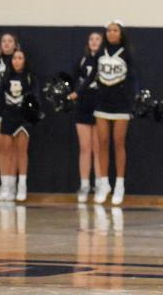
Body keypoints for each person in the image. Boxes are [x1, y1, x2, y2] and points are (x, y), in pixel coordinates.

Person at [93, 21, 138, 206]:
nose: (112, 33)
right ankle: (104, 184)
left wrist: (134, 98)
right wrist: (77, 92)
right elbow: (91, 77)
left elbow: (134, 78)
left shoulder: (127, 54)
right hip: (102, 102)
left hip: (121, 104)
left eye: (115, 30)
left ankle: (120, 185)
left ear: (121, 33)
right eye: (109, 30)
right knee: (102, 143)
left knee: (119, 143)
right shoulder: (100, 53)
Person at [0, 49, 38, 202]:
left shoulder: (29, 78)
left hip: (23, 118)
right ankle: (7, 186)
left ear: (24, 61)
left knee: (21, 152)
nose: (16, 60)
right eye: (14, 58)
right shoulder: (5, 77)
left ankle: (22, 185)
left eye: (20, 58)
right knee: (7, 151)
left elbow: (35, 98)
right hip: (8, 116)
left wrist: (31, 112)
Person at [69, 31, 102, 203]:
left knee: (98, 148)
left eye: (98, 39)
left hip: (99, 107)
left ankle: (99, 184)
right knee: (85, 147)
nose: (94, 41)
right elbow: (74, 84)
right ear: (87, 43)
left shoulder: (104, 61)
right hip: (83, 107)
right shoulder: (82, 61)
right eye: (91, 39)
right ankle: (84, 184)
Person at [0, 33, 18, 201]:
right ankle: (5, 183)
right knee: (2, 147)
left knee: (14, 147)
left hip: (15, 109)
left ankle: (12, 183)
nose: (7, 44)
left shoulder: (19, 62)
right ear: (1, 45)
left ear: (15, 45)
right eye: (4, 41)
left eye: (10, 41)